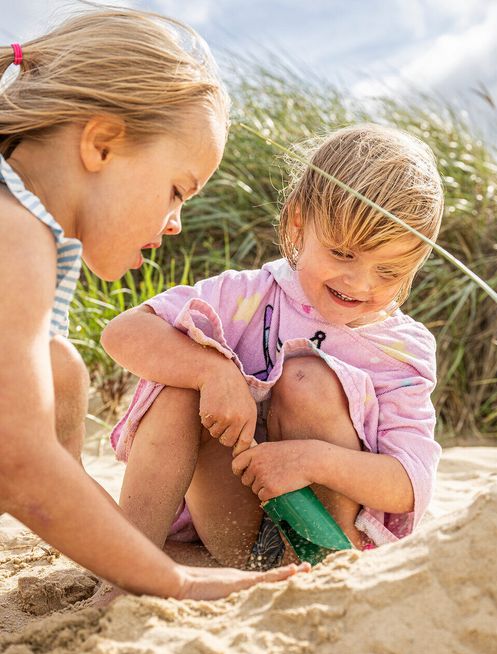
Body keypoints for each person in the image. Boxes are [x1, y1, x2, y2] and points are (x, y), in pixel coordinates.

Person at [0, 7, 308, 601]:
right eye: (177, 190)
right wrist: (174, 578)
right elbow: (21, 465)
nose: (176, 224)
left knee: (62, 369)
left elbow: (54, 472)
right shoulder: (15, 235)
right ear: (103, 143)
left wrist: (136, 562)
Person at [102, 123, 444, 570]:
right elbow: (123, 333)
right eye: (342, 253)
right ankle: (129, 568)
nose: (360, 282)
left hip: (326, 537)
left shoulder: (401, 349)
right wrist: (211, 372)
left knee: (307, 379)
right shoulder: (248, 295)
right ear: (300, 222)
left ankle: (312, 576)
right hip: (231, 521)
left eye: (389, 271)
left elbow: (410, 483)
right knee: (180, 379)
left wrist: (312, 461)